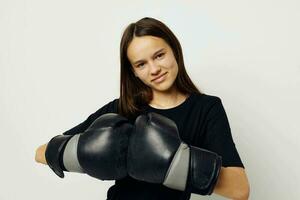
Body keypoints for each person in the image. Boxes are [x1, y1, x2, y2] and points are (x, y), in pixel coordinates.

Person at [35, 17, 250, 200]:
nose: (154, 69)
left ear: (175, 50)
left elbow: (240, 189)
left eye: (159, 55)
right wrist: (89, 152)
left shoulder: (206, 108)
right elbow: (41, 153)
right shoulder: (122, 108)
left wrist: (175, 163)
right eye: (141, 64)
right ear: (134, 72)